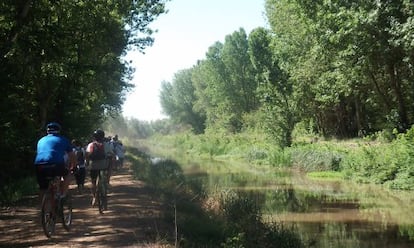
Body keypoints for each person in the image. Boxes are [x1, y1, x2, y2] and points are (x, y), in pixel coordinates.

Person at [34, 122, 76, 205]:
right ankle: (62, 195)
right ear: (59, 131)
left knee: (43, 188)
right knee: (67, 174)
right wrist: (73, 167)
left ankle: (44, 210)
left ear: (47, 131)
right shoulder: (63, 139)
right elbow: (72, 156)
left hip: (39, 165)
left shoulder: (40, 140)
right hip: (56, 164)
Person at [85, 129, 110, 206]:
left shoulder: (90, 145)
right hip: (103, 166)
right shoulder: (106, 145)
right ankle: (105, 191)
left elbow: (87, 155)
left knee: (93, 182)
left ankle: (94, 197)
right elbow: (111, 155)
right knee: (104, 180)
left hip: (93, 166)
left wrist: (87, 163)